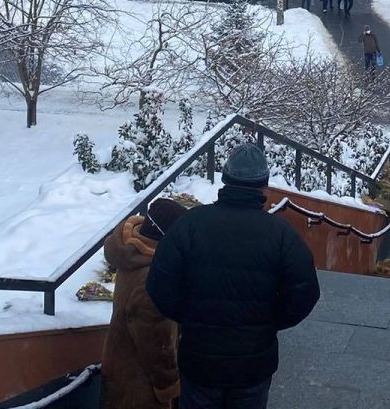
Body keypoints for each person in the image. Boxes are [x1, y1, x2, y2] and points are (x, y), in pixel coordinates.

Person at [146, 144, 320, 409]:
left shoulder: (191, 224)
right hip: (253, 364)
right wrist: (269, 321)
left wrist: (190, 316)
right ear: (264, 187)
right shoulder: (281, 234)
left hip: (199, 359)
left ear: (225, 180)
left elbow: (160, 284)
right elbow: (306, 291)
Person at [102, 199, 187, 409]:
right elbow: (155, 340)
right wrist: (169, 385)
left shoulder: (134, 255)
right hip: (142, 387)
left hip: (121, 369)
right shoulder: (153, 277)